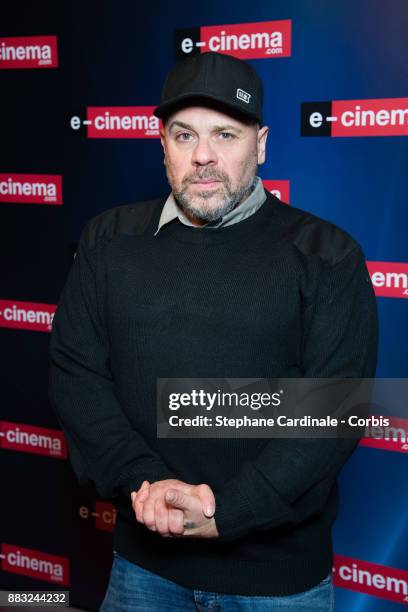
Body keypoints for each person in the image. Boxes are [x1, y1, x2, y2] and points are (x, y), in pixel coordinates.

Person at [48, 51, 378, 611]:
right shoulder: (109, 241)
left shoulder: (327, 256)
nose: (203, 156)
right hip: (143, 569)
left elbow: (332, 414)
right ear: (162, 145)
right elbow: (76, 376)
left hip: (277, 585)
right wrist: (144, 483)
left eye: (225, 134)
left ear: (262, 144)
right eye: (184, 135)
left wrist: (230, 509)